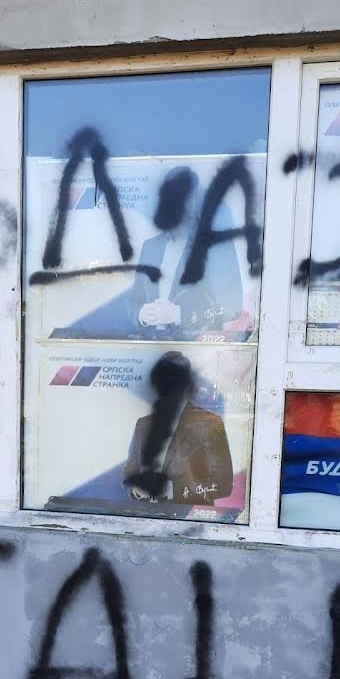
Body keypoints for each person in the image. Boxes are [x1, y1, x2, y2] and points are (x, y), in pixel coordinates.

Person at [50, 167, 246, 340]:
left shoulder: (215, 246)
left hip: (195, 353)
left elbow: (232, 307)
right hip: (150, 349)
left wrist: (178, 314)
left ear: (194, 201)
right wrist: (142, 315)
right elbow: (134, 303)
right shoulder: (151, 247)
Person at [123, 351, 233, 506]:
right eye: (165, 380)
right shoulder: (143, 424)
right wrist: (136, 489)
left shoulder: (210, 423)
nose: (169, 386)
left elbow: (223, 484)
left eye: (175, 380)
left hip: (188, 515)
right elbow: (129, 472)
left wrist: (171, 491)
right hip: (144, 515)